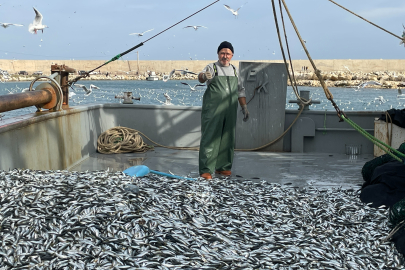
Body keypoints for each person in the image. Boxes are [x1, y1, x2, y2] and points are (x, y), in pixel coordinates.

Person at [197, 41, 249, 180]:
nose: (225, 56)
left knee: (228, 138)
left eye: (227, 53)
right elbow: (201, 77)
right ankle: (206, 169)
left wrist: (244, 107)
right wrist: (204, 76)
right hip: (213, 109)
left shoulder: (234, 70)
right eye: (222, 53)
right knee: (210, 137)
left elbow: (240, 90)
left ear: (232, 55)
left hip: (230, 110)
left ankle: (223, 167)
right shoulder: (212, 67)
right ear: (218, 54)